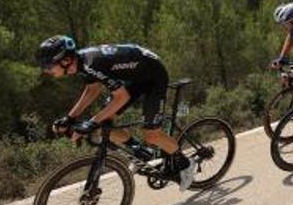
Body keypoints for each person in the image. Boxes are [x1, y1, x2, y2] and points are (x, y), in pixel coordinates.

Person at [38, 36, 194, 190]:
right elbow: (92, 89)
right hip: (136, 75)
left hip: (154, 75)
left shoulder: (92, 64)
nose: (46, 70)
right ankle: (141, 152)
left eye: (48, 66)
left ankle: (185, 164)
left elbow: (122, 97)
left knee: (151, 135)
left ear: (65, 61)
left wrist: (92, 122)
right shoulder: (81, 63)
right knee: (103, 126)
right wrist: (70, 117)